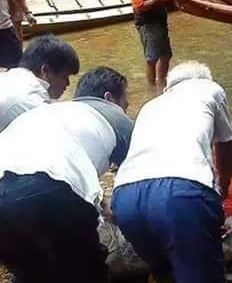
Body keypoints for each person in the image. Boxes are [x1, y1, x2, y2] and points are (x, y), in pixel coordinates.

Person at [0, 67, 133, 283]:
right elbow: (142, 182)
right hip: (47, 186)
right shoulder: (115, 117)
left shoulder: (53, 110)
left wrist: (99, 202)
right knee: (86, 270)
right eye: (125, 105)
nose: (125, 112)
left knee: (31, 271)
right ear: (110, 99)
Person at [112, 61, 232, 283]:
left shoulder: (151, 105)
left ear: (168, 87)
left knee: (165, 273)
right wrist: (223, 187)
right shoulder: (210, 89)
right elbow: (225, 145)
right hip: (181, 193)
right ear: (204, 79)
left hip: (125, 199)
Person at [0, 34, 80, 132]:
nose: (67, 84)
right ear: (45, 71)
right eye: (64, 76)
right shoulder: (30, 103)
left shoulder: (11, 77)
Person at [130, 0, 182, 90]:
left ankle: (161, 83)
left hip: (160, 23)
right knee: (152, 59)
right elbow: (139, 6)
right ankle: (151, 89)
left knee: (166, 55)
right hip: (148, 25)